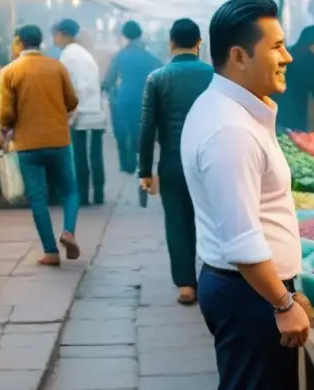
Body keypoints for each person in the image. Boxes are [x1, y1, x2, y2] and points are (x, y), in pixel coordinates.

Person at [181, 0, 314, 390]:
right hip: (247, 293)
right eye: (277, 46)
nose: (287, 56)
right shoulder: (230, 131)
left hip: (256, 289)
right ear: (239, 56)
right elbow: (241, 239)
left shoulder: (235, 111)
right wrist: (283, 300)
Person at [139, 18, 213, 306]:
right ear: (199, 43)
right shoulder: (215, 75)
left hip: (172, 161)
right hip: (210, 161)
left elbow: (147, 127)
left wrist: (145, 170)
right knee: (210, 220)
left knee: (177, 221)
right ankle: (212, 278)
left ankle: (185, 285)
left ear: (171, 43)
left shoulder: (157, 78)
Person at [0, 25, 81, 266]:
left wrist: (10, 126)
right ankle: (68, 231)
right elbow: (72, 101)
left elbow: (6, 114)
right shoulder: (57, 66)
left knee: (37, 198)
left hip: (27, 144)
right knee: (70, 190)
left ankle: (51, 251)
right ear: (40, 42)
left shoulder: (10, 71)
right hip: (58, 140)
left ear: (19, 43)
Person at [52, 18, 107, 207]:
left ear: (62, 34)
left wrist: (68, 111)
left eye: (55, 35)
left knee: (80, 156)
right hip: (95, 112)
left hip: (81, 113)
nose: (54, 39)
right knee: (96, 156)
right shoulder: (84, 54)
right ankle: (98, 194)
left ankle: (83, 196)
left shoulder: (68, 56)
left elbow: (70, 87)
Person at [102, 20, 162, 175]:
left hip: (125, 99)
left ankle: (127, 164)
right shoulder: (150, 56)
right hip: (146, 99)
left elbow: (109, 79)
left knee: (124, 131)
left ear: (124, 35)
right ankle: (142, 161)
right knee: (143, 130)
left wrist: (107, 89)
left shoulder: (120, 55)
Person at [275, 25, 314, 132]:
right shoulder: (307, 58)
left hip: (278, 103)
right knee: (296, 137)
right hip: (294, 106)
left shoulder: (290, 51)